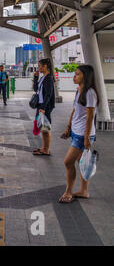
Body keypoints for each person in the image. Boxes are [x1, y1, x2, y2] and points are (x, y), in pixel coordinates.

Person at [59, 65, 99, 203]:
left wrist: (87, 138)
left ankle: (69, 192)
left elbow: (90, 117)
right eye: (75, 74)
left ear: (85, 76)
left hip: (83, 135)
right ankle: (84, 191)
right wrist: (68, 127)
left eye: (77, 74)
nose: (74, 76)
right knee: (81, 162)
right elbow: (75, 110)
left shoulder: (90, 93)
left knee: (68, 162)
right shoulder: (79, 90)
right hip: (76, 132)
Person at [32, 58, 55, 156]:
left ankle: (46, 149)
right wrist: (36, 78)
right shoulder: (43, 78)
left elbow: (48, 94)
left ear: (45, 66)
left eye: (40, 66)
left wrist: (44, 108)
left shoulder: (49, 78)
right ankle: (44, 148)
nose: (39, 68)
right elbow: (36, 89)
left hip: (45, 106)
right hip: (41, 105)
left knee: (46, 128)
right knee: (42, 128)